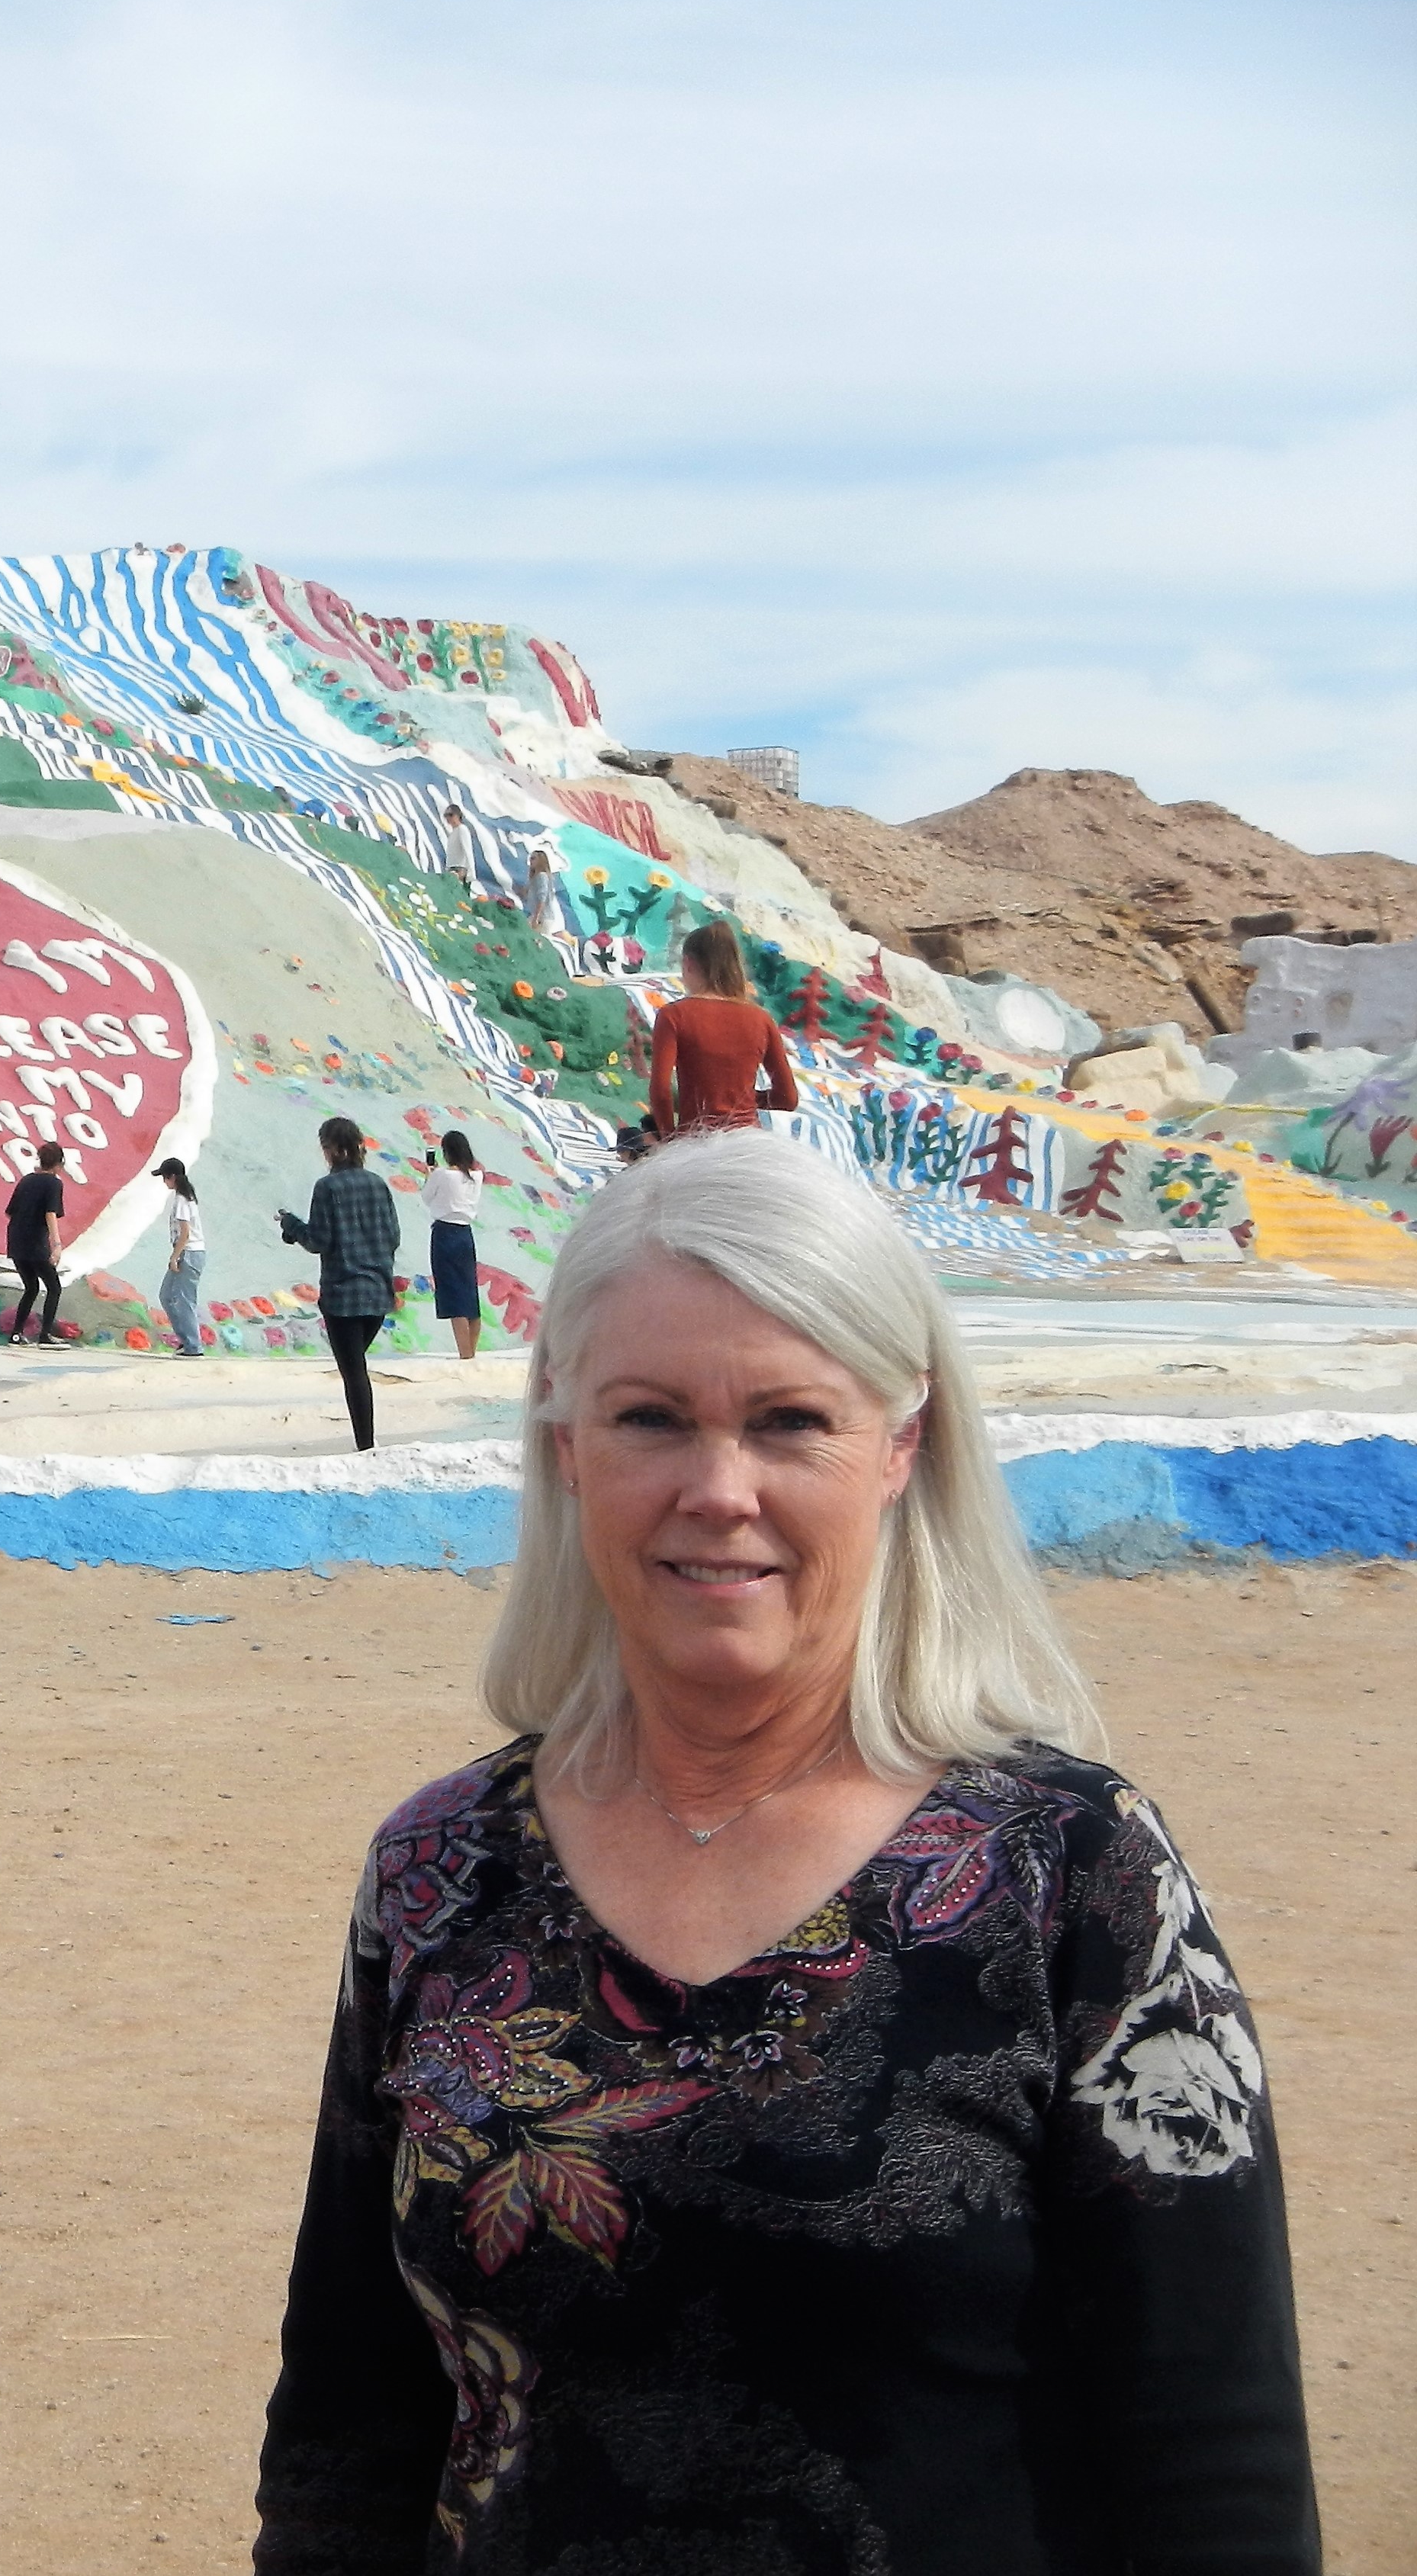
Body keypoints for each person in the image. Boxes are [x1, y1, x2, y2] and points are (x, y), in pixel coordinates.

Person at [252, 1129, 1317, 2573]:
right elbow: (348, 2429)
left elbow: (1214, 2461)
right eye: (648, 1418)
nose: (717, 1487)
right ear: (563, 1443)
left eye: (789, 1421)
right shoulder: (439, 1874)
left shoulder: (1072, 1875)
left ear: (899, 1445)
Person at [277, 1115, 397, 1450]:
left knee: (354, 1373)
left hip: (343, 1296)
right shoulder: (378, 1184)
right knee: (357, 1366)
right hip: (377, 1294)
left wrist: (291, 1225)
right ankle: (366, 1443)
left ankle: (366, 1446)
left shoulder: (326, 1187)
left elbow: (318, 1241)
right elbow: (393, 1236)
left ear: (332, 1149)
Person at [650, 916, 800, 1138]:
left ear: (688, 964)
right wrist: (746, 1098)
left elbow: (660, 1091)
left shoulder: (674, 1015)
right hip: (748, 1140)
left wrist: (668, 1139)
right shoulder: (761, 1018)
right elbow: (787, 1099)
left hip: (698, 1140)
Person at [2, 1141, 72, 1345]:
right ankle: (45, 1335)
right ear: (59, 1164)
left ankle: (16, 1334)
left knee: (31, 1287)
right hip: (36, 1243)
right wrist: (57, 1245)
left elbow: (10, 1212)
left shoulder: (26, 1181)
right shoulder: (54, 1183)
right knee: (54, 1287)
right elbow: (50, 1214)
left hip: (16, 1241)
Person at [423, 1128, 484, 1362]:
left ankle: (465, 1354)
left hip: (445, 1232)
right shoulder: (477, 1176)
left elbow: (427, 1198)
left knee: (453, 1293)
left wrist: (431, 1174)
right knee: (469, 1291)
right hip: (466, 1234)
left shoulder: (442, 1175)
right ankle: (471, 1351)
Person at [153, 1155, 208, 1356]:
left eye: (165, 1177)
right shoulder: (184, 1197)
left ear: (173, 1177)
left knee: (185, 1300)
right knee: (166, 1296)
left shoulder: (183, 1200)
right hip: (189, 1253)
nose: (164, 1181)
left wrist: (175, 1256)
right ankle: (186, 1340)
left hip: (190, 1253)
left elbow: (185, 1232)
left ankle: (194, 1346)